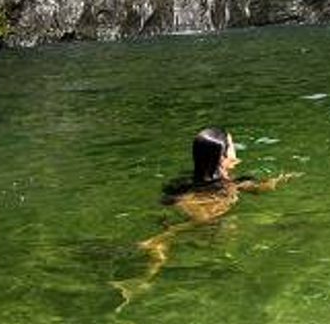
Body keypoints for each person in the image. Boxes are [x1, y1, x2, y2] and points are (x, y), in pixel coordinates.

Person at [114, 127, 297, 309]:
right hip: (206, 219)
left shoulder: (182, 181)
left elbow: (168, 200)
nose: (235, 148)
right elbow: (261, 189)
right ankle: (151, 257)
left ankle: (145, 268)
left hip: (182, 206)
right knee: (211, 231)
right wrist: (282, 179)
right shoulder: (235, 183)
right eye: (232, 145)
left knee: (168, 237)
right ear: (223, 157)